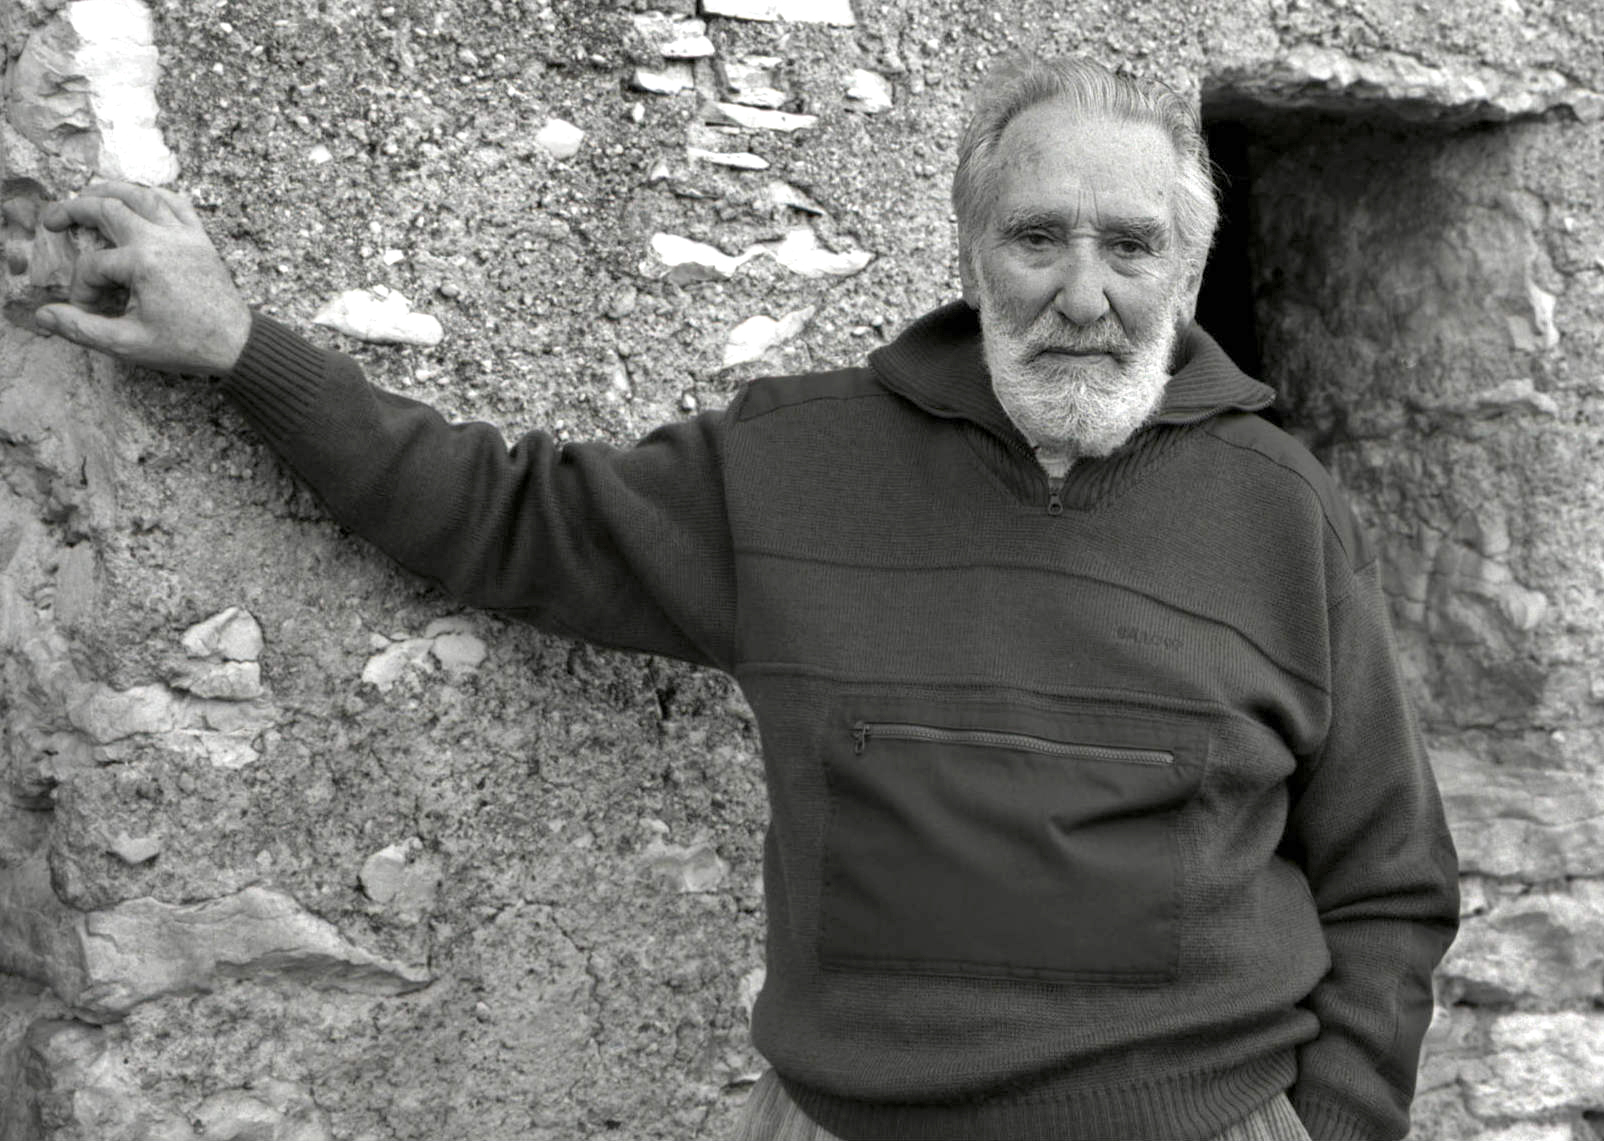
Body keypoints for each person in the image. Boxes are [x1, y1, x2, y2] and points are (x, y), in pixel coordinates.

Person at [32, 56, 1457, 1141]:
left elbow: (1388, 875)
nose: (1084, 293)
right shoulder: (793, 465)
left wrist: (1335, 1129)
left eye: (1130, 246)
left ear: (1184, 268)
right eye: (1039, 238)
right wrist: (243, 347)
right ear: (971, 253)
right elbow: (503, 517)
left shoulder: (1281, 508)